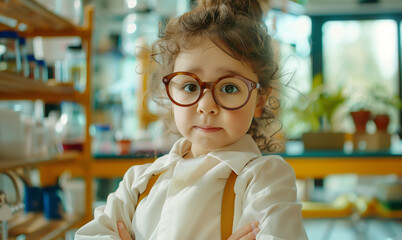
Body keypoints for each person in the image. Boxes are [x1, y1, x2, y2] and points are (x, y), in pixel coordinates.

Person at [76, 0, 307, 239]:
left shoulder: (265, 179)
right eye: (189, 86)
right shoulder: (139, 181)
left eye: (229, 88)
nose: (206, 106)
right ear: (170, 93)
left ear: (259, 100)